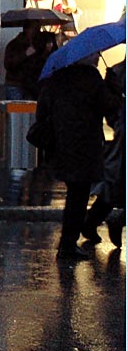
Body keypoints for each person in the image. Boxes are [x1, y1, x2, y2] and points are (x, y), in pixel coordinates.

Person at [36, 56, 122, 260]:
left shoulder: (57, 78)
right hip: (84, 145)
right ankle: (67, 244)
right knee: (78, 195)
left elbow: (43, 109)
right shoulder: (91, 78)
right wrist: (113, 84)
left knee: (74, 193)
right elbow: (110, 106)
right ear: (87, 57)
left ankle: (69, 241)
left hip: (61, 144)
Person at [82, 59, 126, 248]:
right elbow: (110, 106)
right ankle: (95, 221)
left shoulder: (117, 72)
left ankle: (94, 221)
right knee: (116, 182)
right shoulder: (117, 73)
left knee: (116, 184)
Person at [3, 23, 57, 100]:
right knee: (17, 108)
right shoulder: (15, 44)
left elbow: (37, 63)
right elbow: (8, 63)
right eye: (34, 29)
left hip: (30, 85)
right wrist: (25, 54)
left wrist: (46, 53)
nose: (36, 32)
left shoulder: (37, 44)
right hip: (16, 84)